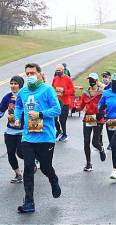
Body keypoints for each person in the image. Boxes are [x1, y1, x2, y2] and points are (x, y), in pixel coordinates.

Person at [14, 63, 62, 213]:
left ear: (40, 74)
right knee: (28, 168)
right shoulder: (23, 91)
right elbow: (19, 106)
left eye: (32, 73)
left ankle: (53, 180)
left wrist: (41, 114)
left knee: (46, 167)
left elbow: (57, 109)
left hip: (46, 137)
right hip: (28, 137)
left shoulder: (47, 90)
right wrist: (17, 117)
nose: (29, 76)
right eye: (27, 74)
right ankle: (29, 202)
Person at [77, 73, 106, 172]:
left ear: (97, 81)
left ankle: (101, 149)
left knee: (95, 142)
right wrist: (76, 108)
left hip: (98, 117)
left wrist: (103, 113)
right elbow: (81, 105)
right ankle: (88, 163)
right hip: (89, 117)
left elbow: (106, 104)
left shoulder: (102, 93)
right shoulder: (86, 93)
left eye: (92, 79)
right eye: (89, 79)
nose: (91, 81)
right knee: (86, 141)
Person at [0, 76, 25, 183]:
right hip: (10, 130)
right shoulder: (7, 97)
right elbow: (1, 111)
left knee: (20, 152)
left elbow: (33, 111)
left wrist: (20, 101)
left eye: (15, 83)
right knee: (10, 154)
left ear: (20, 85)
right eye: (11, 83)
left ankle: (32, 161)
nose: (13, 86)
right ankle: (18, 174)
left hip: (23, 130)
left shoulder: (26, 96)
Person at [52, 64, 75, 142]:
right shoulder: (55, 78)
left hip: (65, 102)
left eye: (59, 70)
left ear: (63, 70)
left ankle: (65, 134)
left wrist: (64, 91)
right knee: (54, 118)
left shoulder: (67, 79)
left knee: (62, 119)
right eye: (57, 70)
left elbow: (72, 91)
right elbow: (52, 88)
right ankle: (58, 131)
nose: (58, 72)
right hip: (56, 102)